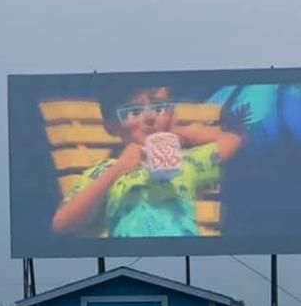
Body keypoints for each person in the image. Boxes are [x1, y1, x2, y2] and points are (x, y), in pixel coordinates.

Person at [51, 87, 244, 238]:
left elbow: (232, 141)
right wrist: (117, 170)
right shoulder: (105, 170)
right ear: (112, 125)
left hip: (181, 250)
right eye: (134, 111)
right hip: (128, 256)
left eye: (159, 108)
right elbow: (62, 223)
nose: (150, 117)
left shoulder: (185, 162)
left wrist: (174, 131)